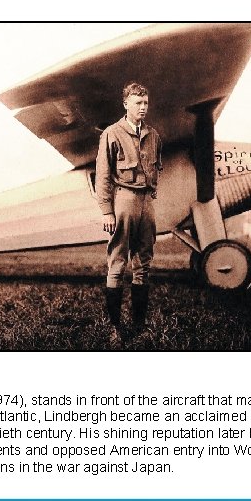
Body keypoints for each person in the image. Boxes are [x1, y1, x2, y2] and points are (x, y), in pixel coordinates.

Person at [95, 82, 162, 345]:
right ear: (126, 104)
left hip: (147, 201)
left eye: (146, 102)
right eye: (138, 103)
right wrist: (106, 211)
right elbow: (103, 175)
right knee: (118, 261)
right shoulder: (112, 133)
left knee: (144, 263)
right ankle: (114, 327)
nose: (143, 107)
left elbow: (156, 167)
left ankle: (139, 326)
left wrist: (151, 194)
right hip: (123, 200)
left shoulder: (153, 135)